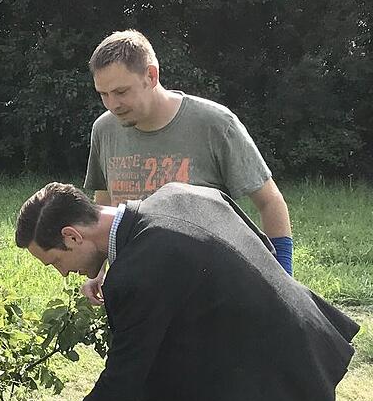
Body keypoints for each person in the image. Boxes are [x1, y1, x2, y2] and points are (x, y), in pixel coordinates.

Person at [15, 181, 359, 401]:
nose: (62, 273)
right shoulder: (180, 194)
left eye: (56, 262)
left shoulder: (136, 274)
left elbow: (122, 384)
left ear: (72, 236)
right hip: (311, 347)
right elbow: (264, 250)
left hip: (272, 390)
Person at [82, 29, 293, 304]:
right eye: (104, 94)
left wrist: (284, 283)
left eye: (121, 92)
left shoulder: (215, 124)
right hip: (136, 289)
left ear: (151, 76)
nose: (113, 104)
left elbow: (270, 202)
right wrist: (98, 269)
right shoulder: (104, 129)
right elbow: (105, 202)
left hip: (207, 293)